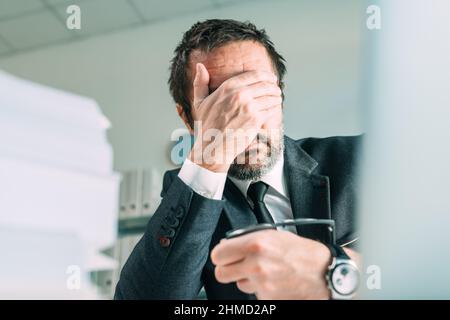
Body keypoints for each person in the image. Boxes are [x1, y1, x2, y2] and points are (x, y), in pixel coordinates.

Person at [115, 19, 361, 300]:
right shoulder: (187, 192)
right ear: (187, 117)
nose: (245, 119)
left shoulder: (361, 160)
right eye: (221, 103)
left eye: (258, 92)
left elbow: (419, 268)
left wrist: (340, 272)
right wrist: (210, 155)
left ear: (280, 94)